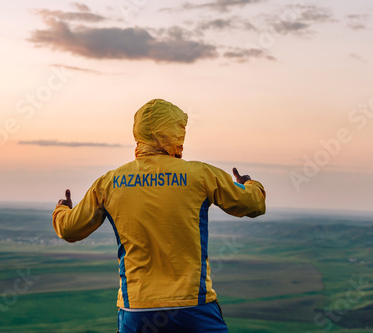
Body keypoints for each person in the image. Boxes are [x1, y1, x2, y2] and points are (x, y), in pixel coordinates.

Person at [53, 99, 266, 333]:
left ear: (139, 133)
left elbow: (70, 230)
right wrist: (249, 184)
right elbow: (253, 205)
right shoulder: (201, 174)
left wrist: (62, 209)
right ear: (174, 131)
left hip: (136, 308)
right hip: (192, 306)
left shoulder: (109, 182)